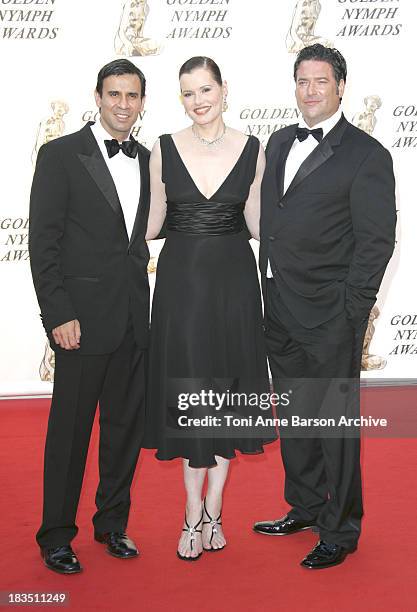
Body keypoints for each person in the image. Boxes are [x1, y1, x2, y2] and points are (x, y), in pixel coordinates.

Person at [254, 44, 396, 569]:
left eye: (320, 82)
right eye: (302, 81)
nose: (309, 91)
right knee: (294, 417)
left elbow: (376, 242)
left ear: (340, 86)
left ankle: (342, 527)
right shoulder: (277, 141)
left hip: (331, 315)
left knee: (334, 425)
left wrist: (351, 312)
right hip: (280, 309)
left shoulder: (367, 155)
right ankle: (306, 506)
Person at [144, 56, 276, 561]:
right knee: (190, 399)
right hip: (180, 292)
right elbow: (152, 223)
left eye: (205, 90)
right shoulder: (163, 150)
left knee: (227, 400)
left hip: (234, 292)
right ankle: (190, 514)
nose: (198, 101)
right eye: (187, 93)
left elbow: (262, 224)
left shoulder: (252, 150)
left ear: (224, 89)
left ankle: (215, 508)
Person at [29, 59, 150, 574]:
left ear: (143, 102)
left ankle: (112, 524)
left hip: (131, 319)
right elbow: (44, 241)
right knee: (70, 433)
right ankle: (56, 535)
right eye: (114, 94)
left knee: (123, 430)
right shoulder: (60, 155)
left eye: (132, 96)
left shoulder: (149, 159)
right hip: (78, 322)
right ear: (97, 96)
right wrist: (58, 312)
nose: (123, 104)